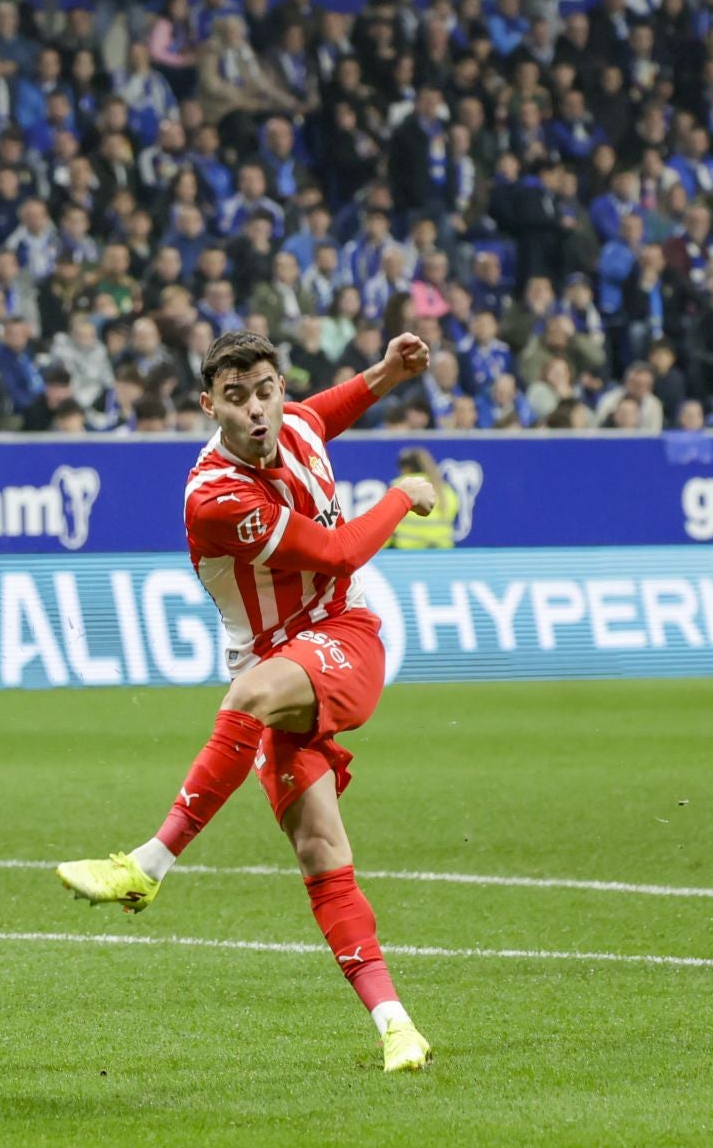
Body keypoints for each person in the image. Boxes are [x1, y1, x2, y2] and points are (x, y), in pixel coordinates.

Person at [55, 330, 440, 1071]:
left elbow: (325, 412)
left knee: (252, 693)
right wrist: (402, 496)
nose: (258, 410)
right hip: (278, 660)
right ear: (210, 406)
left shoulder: (294, 420)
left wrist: (388, 373)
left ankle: (147, 864)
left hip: (345, 637)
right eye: (237, 398)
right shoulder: (216, 497)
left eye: (267, 389)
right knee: (320, 849)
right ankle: (397, 1027)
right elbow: (334, 550)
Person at [387, 446, 459, 548]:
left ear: (406, 468)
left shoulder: (399, 487)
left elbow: (386, 523)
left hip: (409, 551)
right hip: (442, 551)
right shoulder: (445, 489)